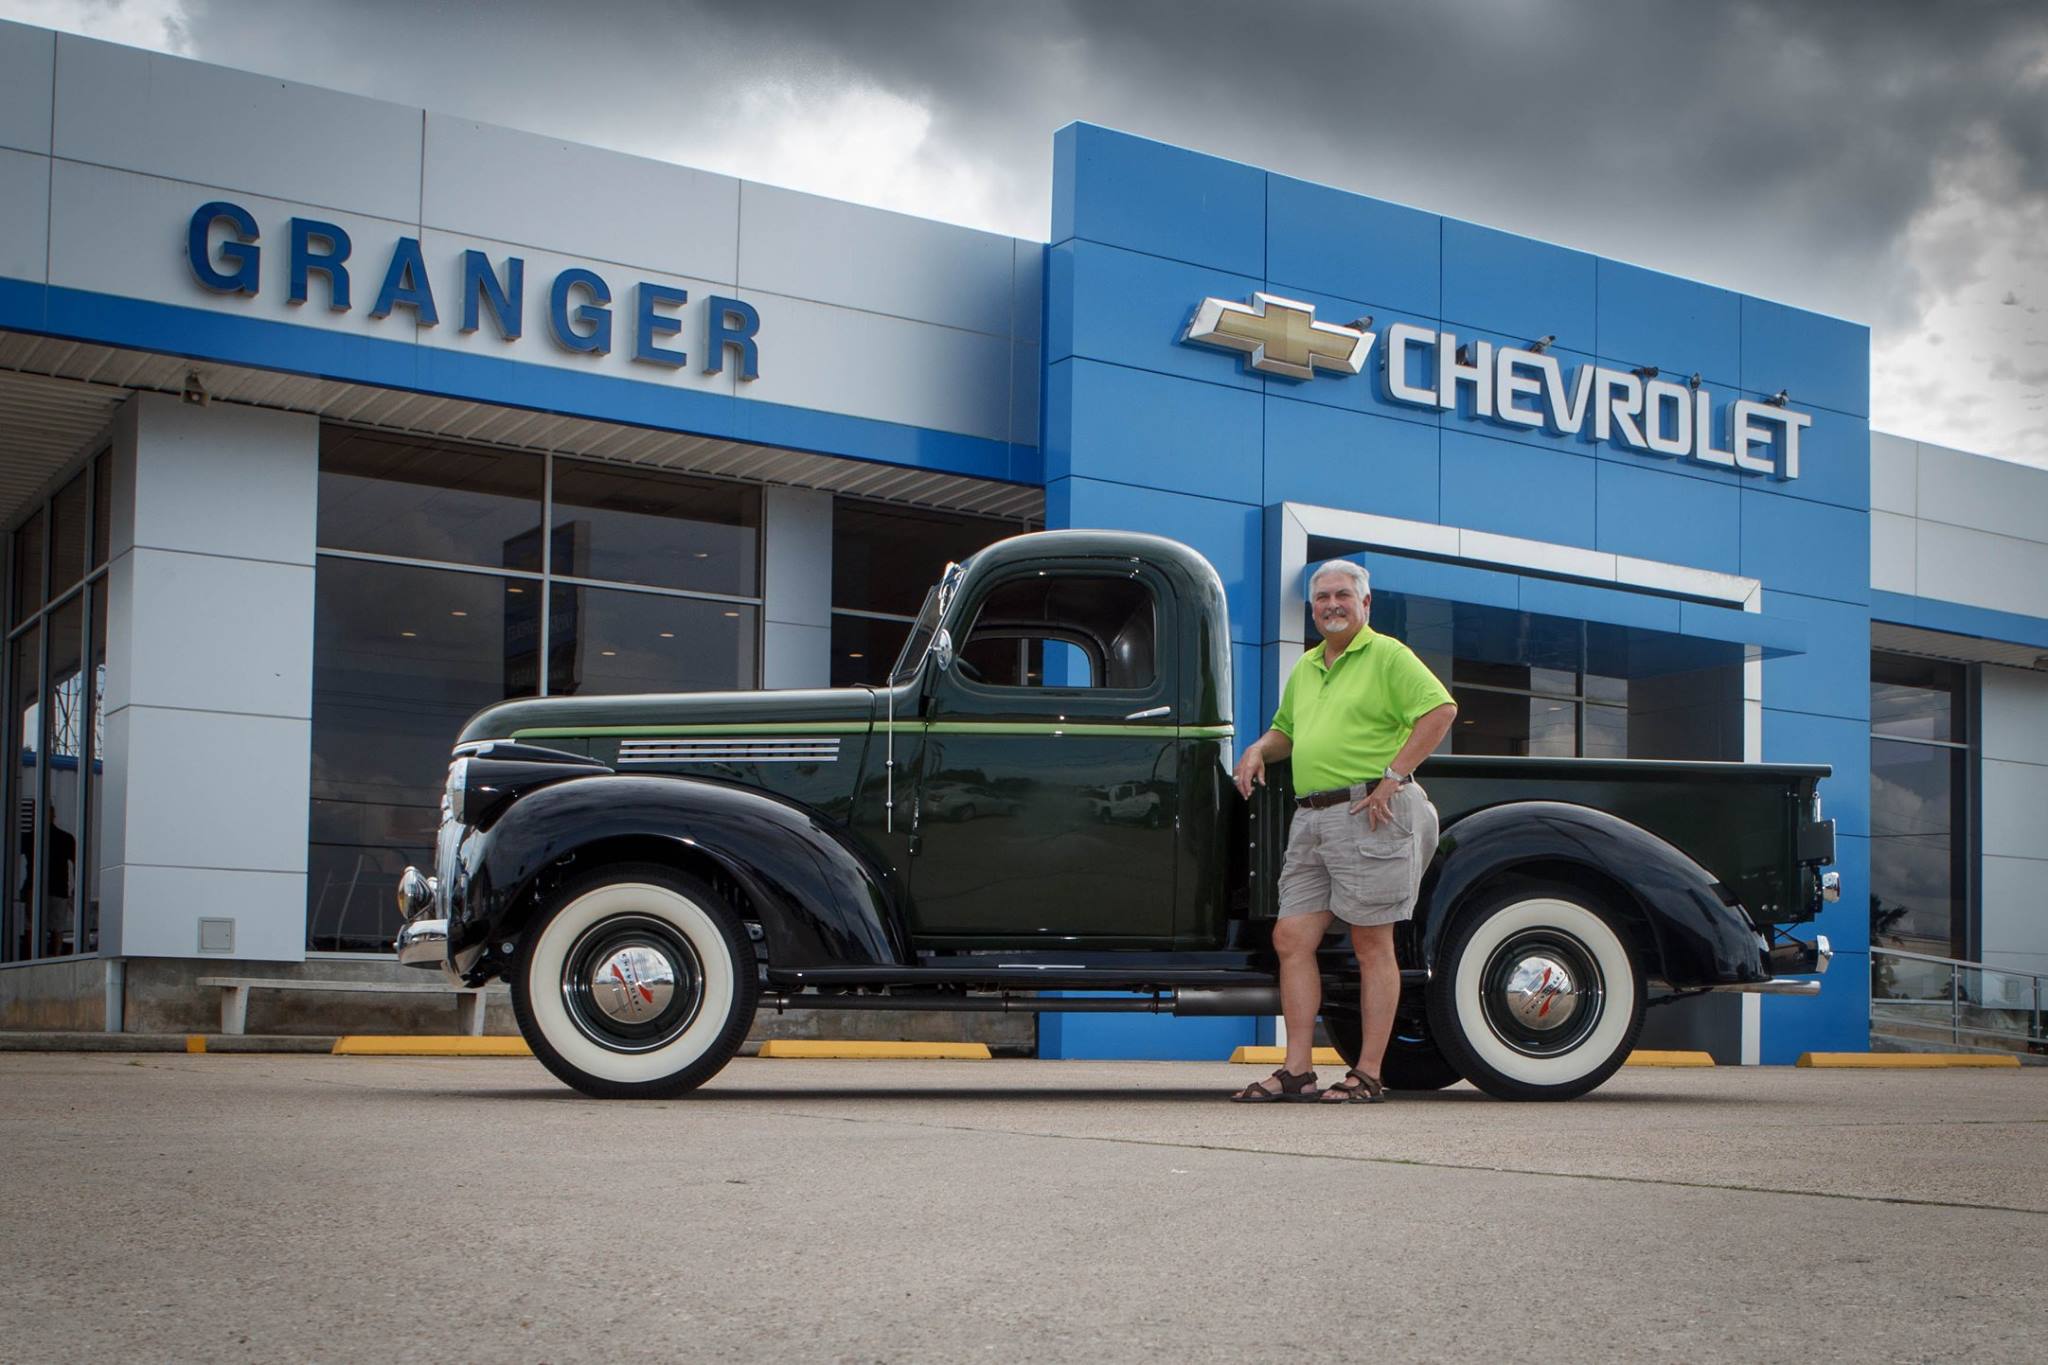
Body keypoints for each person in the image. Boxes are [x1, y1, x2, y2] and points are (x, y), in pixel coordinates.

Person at [1229, 559, 1457, 1103]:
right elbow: (1287, 731)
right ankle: (1297, 1071)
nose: (1331, 605)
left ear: (1365, 604)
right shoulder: (1308, 666)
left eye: (1342, 596)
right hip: (1310, 816)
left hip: (1367, 812)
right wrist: (1261, 747)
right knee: (1291, 938)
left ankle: (1370, 1073)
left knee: (1371, 941)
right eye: (1322, 598)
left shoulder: (1388, 656)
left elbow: (1441, 710)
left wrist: (1393, 777)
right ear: (1312, 610)